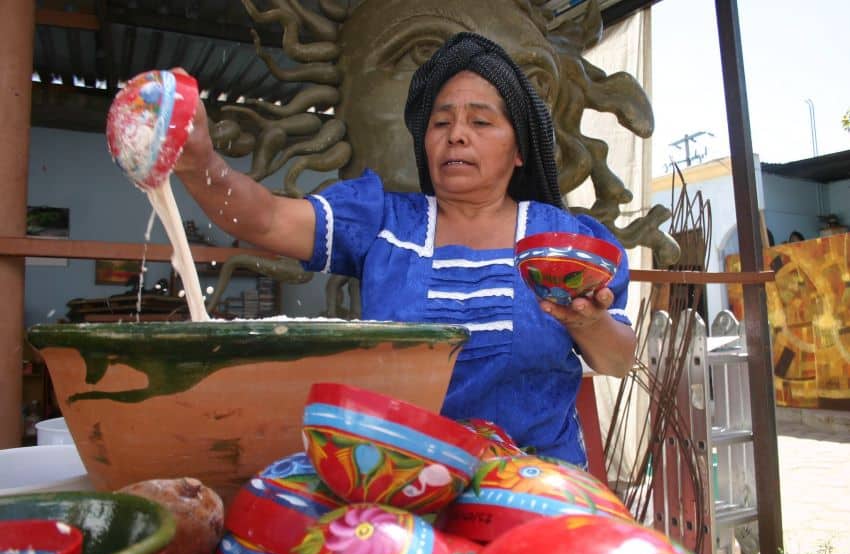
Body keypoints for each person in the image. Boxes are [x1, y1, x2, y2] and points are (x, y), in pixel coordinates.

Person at [173, 33, 636, 467]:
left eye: (480, 121)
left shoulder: (565, 242)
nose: (456, 134)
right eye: (440, 122)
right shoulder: (384, 223)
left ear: (519, 150)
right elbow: (267, 219)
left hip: (538, 495)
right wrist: (200, 162)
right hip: (404, 487)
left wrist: (589, 322)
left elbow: (617, 360)